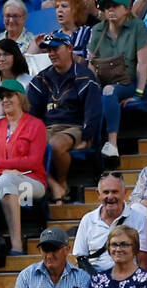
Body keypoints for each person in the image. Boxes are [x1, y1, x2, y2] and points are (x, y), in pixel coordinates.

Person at [26, 31, 100, 204]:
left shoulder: (84, 76)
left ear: (69, 48)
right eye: (48, 50)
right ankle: (53, 185)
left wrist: (88, 138)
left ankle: (62, 183)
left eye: (55, 49)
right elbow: (31, 113)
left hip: (74, 127)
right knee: (27, 145)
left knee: (56, 145)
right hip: (46, 127)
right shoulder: (41, 78)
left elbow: (93, 111)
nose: (51, 54)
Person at [0, 79, 46, 255]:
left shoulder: (36, 125)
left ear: (20, 98)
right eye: (1, 97)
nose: (4, 100)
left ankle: (16, 245)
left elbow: (34, 162)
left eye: (9, 96)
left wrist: (2, 165)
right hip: (0, 179)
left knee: (8, 180)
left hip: (31, 183)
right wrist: (3, 169)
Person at [89, 0, 147, 162]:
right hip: (106, 81)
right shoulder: (98, 30)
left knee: (108, 91)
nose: (110, 9)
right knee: (98, 94)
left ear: (126, 8)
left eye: (114, 5)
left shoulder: (138, 26)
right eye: (106, 6)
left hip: (134, 83)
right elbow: (91, 64)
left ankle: (112, 144)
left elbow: (143, 63)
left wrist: (138, 93)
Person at [73, 170, 147, 272]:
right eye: (106, 192)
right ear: (98, 194)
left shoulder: (139, 219)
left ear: (125, 193)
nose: (110, 197)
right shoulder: (88, 219)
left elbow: (143, 262)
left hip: (127, 280)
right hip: (94, 280)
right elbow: (80, 260)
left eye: (115, 192)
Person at [11, 226, 87, 288]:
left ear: (67, 250)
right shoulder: (26, 276)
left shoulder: (82, 278)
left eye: (54, 249)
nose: (49, 256)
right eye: (45, 249)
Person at [86, 224, 147, 288]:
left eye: (124, 245)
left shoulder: (146, 279)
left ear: (135, 248)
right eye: (114, 245)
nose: (118, 249)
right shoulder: (97, 279)